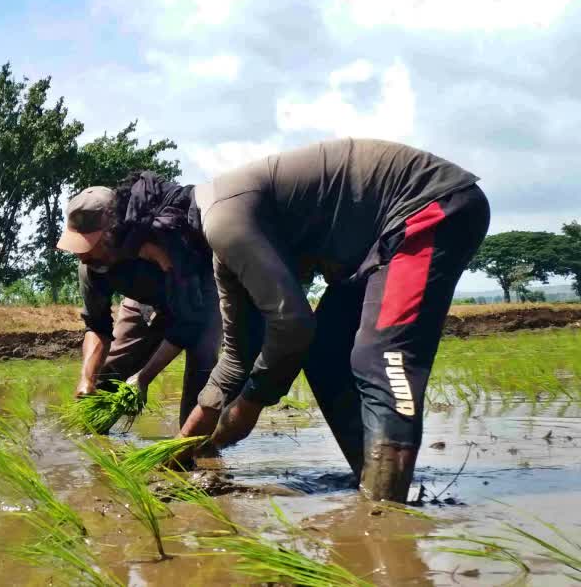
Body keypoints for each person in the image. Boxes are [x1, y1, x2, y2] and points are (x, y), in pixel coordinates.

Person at [164, 138, 489, 502]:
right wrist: (184, 445)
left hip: (425, 207)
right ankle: (370, 477)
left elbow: (293, 324)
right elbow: (238, 353)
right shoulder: (225, 252)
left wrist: (250, 405)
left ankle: (385, 514)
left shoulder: (224, 220)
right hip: (373, 250)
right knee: (324, 356)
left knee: (381, 357)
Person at [57, 172, 224, 427]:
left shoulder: (164, 242)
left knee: (202, 366)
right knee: (107, 379)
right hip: (146, 300)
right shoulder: (91, 267)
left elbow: (188, 322)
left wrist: (144, 377)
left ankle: (194, 450)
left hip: (199, 292)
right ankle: (93, 444)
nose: (82, 257)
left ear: (111, 232)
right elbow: (97, 325)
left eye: (88, 245)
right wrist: (86, 378)